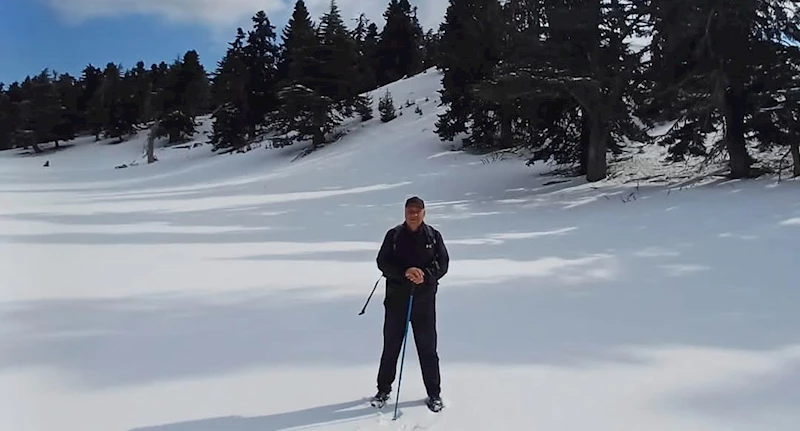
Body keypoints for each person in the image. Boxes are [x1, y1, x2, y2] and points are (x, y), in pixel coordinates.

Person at [370, 196, 450, 413]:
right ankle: (383, 390)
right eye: (409, 211)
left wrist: (425, 274)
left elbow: (443, 264)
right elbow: (382, 262)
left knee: (428, 349)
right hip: (396, 300)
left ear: (424, 213)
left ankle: (434, 394)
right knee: (391, 348)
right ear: (404, 212)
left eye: (417, 211)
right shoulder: (394, 235)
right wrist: (404, 272)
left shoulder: (434, 236)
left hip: (423, 302)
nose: (413, 215)